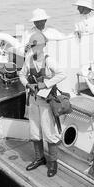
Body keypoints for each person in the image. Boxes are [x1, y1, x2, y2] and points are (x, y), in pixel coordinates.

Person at [19, 31, 66, 177]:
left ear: (43, 45)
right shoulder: (28, 59)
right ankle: (39, 158)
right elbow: (21, 74)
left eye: (38, 45)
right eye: (33, 46)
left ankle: (53, 163)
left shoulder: (49, 60)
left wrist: (46, 84)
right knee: (34, 130)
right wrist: (28, 85)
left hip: (46, 101)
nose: (35, 49)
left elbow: (62, 74)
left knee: (49, 131)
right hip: (33, 100)